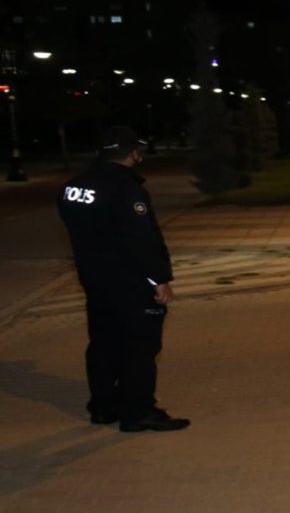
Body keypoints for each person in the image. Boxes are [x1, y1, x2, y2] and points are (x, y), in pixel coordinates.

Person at [56, 126, 190, 432]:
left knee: (103, 343)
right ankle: (139, 411)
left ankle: (103, 407)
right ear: (134, 152)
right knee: (140, 347)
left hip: (94, 279)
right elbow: (140, 238)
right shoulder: (126, 189)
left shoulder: (74, 187)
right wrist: (158, 278)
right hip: (129, 282)